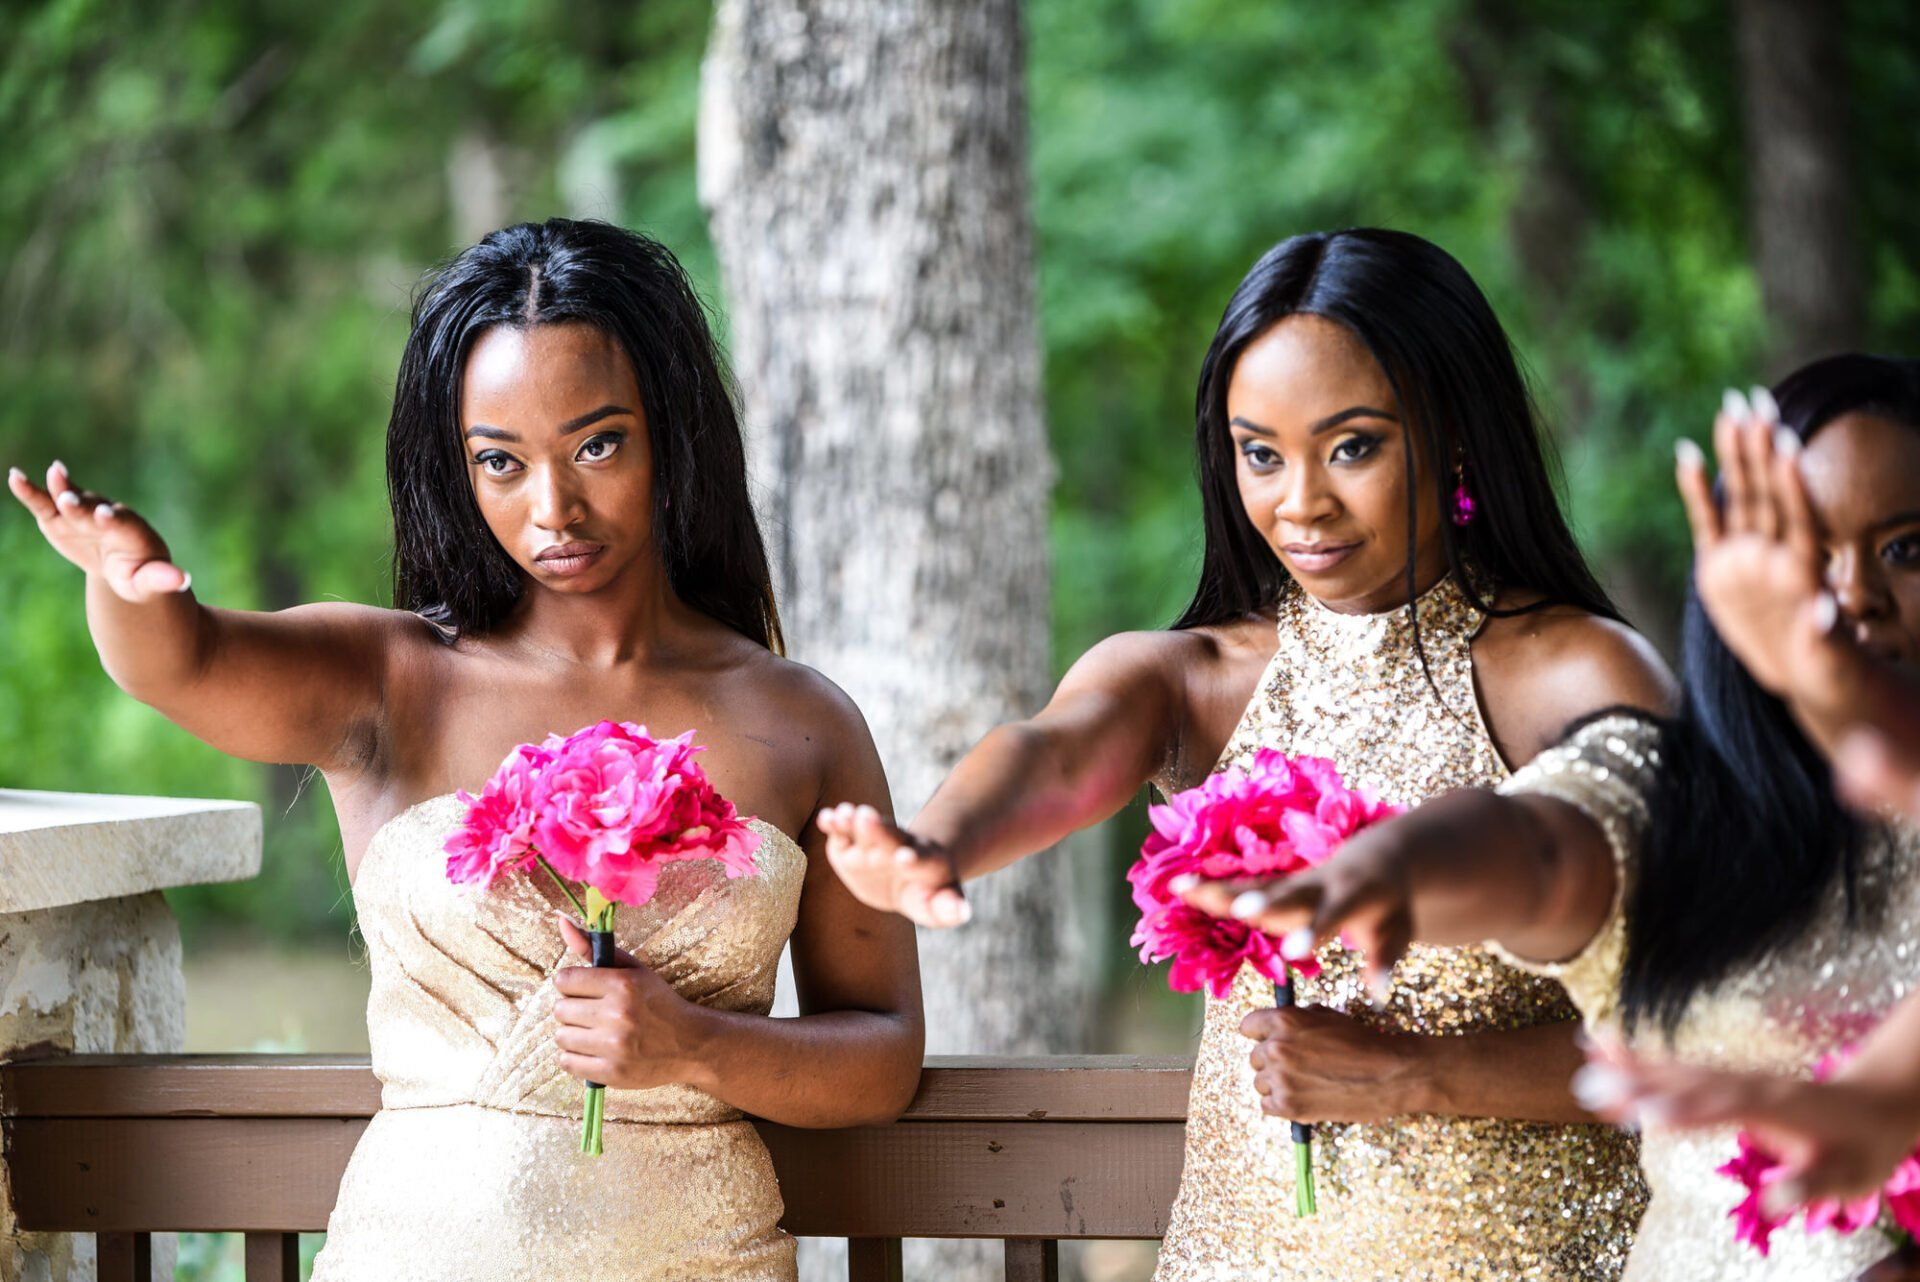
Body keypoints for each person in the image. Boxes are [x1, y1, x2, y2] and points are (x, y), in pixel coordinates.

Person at [6, 217, 923, 1282]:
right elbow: (188, 661)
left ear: (672, 431)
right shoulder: (392, 679)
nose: (553, 508)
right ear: (457, 464)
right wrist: (123, 589)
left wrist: (695, 1044)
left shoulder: (802, 721)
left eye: (597, 444)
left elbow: (882, 1052)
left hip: (702, 1257)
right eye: (501, 461)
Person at [821, 227, 1671, 1280]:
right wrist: (939, 842)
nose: (1300, 501)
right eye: (1260, 452)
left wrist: (1417, 1072)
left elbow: (1702, 1038)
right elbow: (1056, 750)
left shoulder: (1578, 674)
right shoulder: (1201, 677)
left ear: (1454, 436)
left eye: (1353, 445)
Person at [1188, 355, 1920, 1280]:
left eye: (1906, 549)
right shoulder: (1683, 796)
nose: (1853, 594)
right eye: (1806, 553)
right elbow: (1534, 845)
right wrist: (1396, 868)